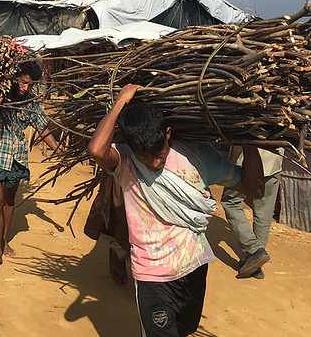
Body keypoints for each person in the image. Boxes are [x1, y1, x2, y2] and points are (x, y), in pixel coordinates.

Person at [87, 85, 264, 337]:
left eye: (159, 153)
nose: (155, 163)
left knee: (184, 330)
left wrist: (248, 140)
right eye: (145, 157)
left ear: (167, 134)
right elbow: (95, 150)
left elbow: (255, 190)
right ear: (131, 148)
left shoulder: (198, 156)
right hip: (150, 274)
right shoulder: (125, 161)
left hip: (193, 265)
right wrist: (120, 103)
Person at [0, 60, 60, 272]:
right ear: (14, 78)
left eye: (31, 84)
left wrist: (60, 152)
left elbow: (42, 129)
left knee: (8, 202)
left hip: (17, 157)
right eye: (23, 82)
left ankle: (4, 239)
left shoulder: (31, 102)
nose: (26, 88)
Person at [221, 146, 283, 279]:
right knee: (264, 213)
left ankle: (254, 250)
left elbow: (240, 141)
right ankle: (256, 265)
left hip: (246, 166)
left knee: (230, 201)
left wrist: (229, 165)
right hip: (274, 165)